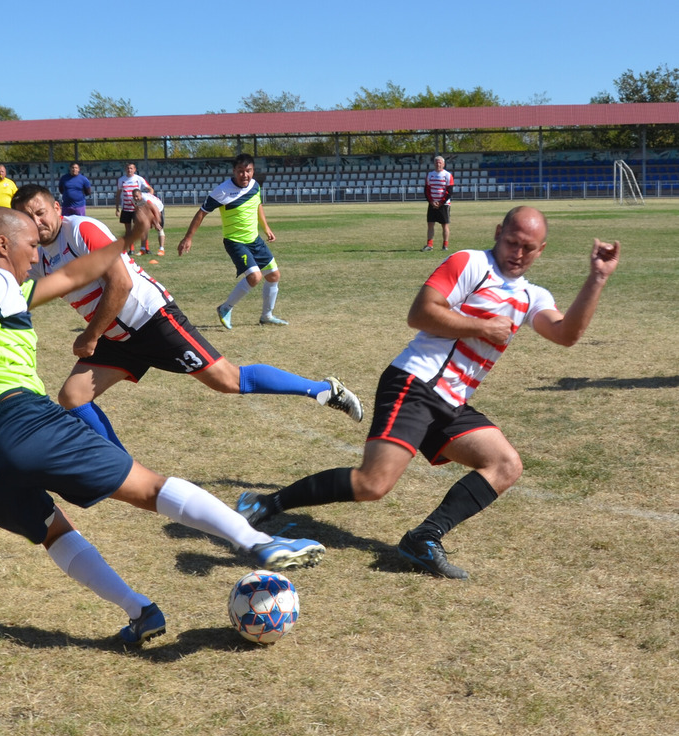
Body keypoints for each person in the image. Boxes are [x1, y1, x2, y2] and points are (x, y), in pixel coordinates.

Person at [0, 206, 326, 647]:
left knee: (53, 533)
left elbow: (74, 273)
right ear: (2, 244)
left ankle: (139, 612)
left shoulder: (4, 290)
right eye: (28, 245)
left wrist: (128, 241)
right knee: (148, 487)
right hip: (16, 420)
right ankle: (258, 542)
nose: (35, 254)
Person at [236, 207, 621, 580]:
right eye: (512, 241)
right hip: (414, 384)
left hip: (451, 401)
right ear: (498, 233)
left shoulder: (533, 296)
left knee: (506, 465)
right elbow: (420, 313)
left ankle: (424, 538)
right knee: (373, 484)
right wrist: (481, 327)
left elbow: (566, 334)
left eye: (529, 247)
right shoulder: (471, 263)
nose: (518, 253)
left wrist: (597, 279)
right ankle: (265, 502)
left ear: (542, 250)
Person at [0, 185, 361, 454]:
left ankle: (323, 389)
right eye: (28, 217)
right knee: (73, 396)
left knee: (227, 380)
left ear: (57, 207)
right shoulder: (36, 254)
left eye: (41, 212)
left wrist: (90, 335)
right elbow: (9, 286)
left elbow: (120, 284)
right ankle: (120, 468)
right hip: (117, 336)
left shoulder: (81, 230)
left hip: (152, 318)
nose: (37, 222)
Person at [178, 154, 287, 328]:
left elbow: (257, 204)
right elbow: (201, 213)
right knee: (254, 277)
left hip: (255, 240)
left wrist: (266, 228)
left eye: (248, 171)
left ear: (253, 170)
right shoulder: (222, 191)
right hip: (235, 241)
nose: (245, 175)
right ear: (234, 171)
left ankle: (267, 315)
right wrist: (188, 237)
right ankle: (225, 308)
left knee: (274, 276)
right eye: (241, 171)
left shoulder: (255, 185)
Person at [423, 156, 454, 252]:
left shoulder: (448, 175)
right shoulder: (430, 175)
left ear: (443, 164)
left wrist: (441, 202)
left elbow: (449, 191)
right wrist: (431, 201)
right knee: (430, 224)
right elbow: (427, 190)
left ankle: (445, 245)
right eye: (436, 162)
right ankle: (429, 245)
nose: (438, 164)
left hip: (444, 205)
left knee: (445, 225)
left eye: (440, 162)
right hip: (432, 204)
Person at [115, 163, 152, 241]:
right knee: (128, 230)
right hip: (126, 208)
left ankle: (144, 248)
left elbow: (150, 189)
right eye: (128, 168)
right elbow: (118, 194)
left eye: (131, 168)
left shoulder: (139, 179)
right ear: (125, 169)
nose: (129, 170)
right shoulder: (121, 180)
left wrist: (147, 200)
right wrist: (117, 208)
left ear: (135, 169)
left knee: (141, 228)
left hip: (138, 208)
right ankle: (131, 249)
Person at [132, 188, 165, 256]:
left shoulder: (146, 200)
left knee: (159, 228)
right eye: (134, 196)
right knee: (144, 229)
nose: (136, 198)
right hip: (148, 210)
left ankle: (161, 249)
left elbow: (155, 210)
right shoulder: (133, 200)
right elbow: (138, 209)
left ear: (141, 195)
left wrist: (156, 222)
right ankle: (143, 249)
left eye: (137, 196)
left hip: (158, 208)